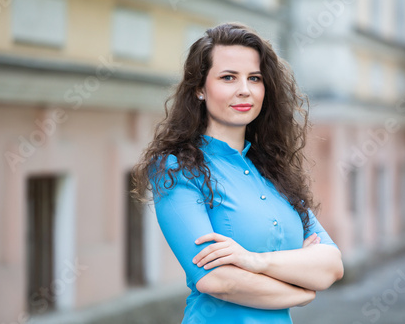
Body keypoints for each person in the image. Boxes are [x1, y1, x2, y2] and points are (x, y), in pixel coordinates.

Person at [132, 22, 344, 323]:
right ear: (199, 89)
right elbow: (217, 280)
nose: (244, 90)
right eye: (228, 77)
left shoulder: (273, 170)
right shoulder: (179, 168)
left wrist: (253, 261)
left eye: (254, 78)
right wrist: (301, 289)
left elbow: (332, 265)